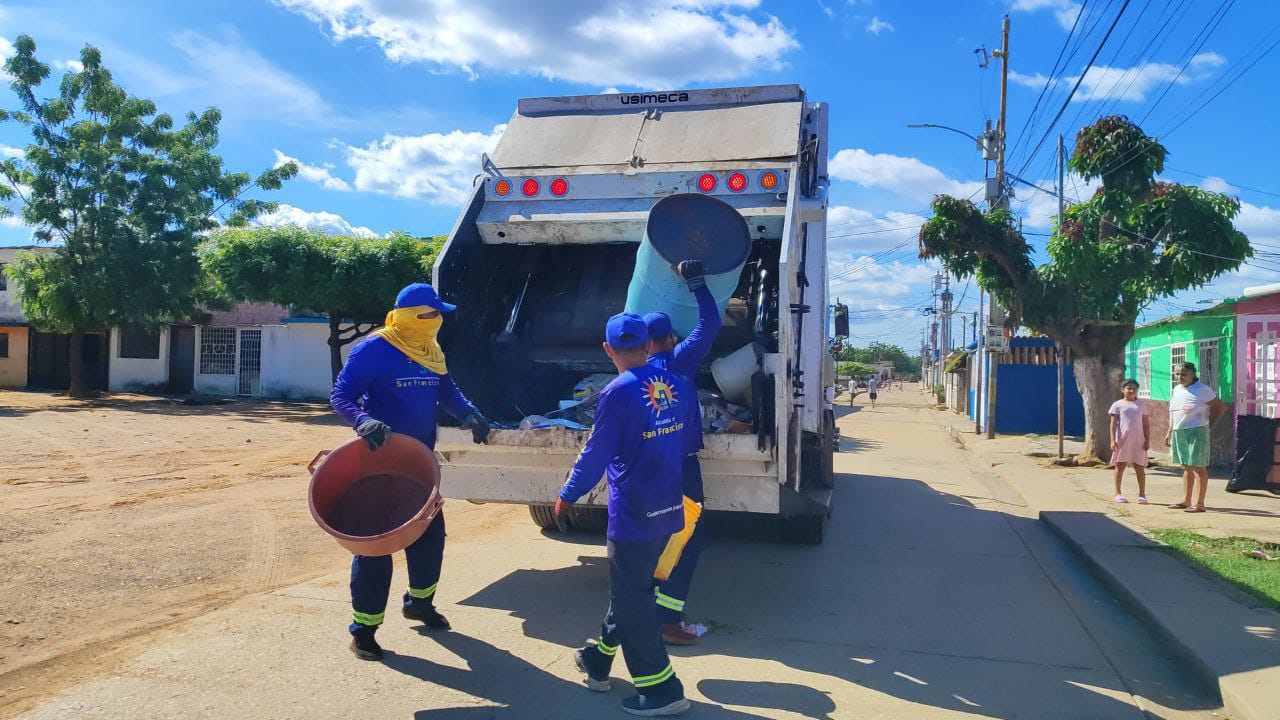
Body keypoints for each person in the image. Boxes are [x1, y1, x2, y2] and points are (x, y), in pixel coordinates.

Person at [330, 282, 491, 661]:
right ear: (412, 317)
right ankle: (364, 631)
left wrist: (469, 413)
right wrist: (363, 420)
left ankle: (419, 603)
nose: (438, 321)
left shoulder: (431, 350)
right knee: (375, 547)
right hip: (380, 463)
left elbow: (447, 391)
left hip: (420, 464)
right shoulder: (374, 349)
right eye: (432, 314)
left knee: (429, 537)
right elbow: (341, 395)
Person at [558, 312, 691, 716]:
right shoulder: (679, 384)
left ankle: (662, 690)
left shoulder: (616, 392)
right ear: (650, 345)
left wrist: (569, 493)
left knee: (632, 602)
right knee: (632, 591)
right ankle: (598, 661)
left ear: (608, 350)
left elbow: (595, 453)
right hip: (669, 506)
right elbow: (689, 439)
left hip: (634, 512)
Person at [643, 260, 721, 646]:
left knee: (652, 539)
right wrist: (697, 283)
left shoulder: (631, 375)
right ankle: (667, 618)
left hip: (646, 471)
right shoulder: (680, 361)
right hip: (681, 471)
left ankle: (644, 609)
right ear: (671, 337)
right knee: (688, 538)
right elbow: (710, 324)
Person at [1164, 362, 1226, 513]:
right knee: (1187, 466)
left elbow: (1220, 407)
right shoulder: (1177, 389)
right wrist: (1169, 431)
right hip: (1180, 431)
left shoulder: (1202, 390)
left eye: (1184, 374)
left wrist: (1208, 425)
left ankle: (1199, 504)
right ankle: (1185, 500)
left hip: (1197, 431)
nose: (1180, 377)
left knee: (1199, 467)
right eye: (1177, 374)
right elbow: (1174, 411)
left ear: (1193, 374)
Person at [1108, 378, 1150, 504]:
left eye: (1134, 388)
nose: (1131, 390)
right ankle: (1118, 493)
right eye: (1128, 388)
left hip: (1138, 440)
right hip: (1122, 440)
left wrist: (1147, 440)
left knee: (1139, 466)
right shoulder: (1117, 405)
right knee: (1120, 466)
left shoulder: (1141, 405)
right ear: (1123, 390)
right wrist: (1112, 440)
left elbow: (1146, 425)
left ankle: (1142, 494)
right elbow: (1113, 425)